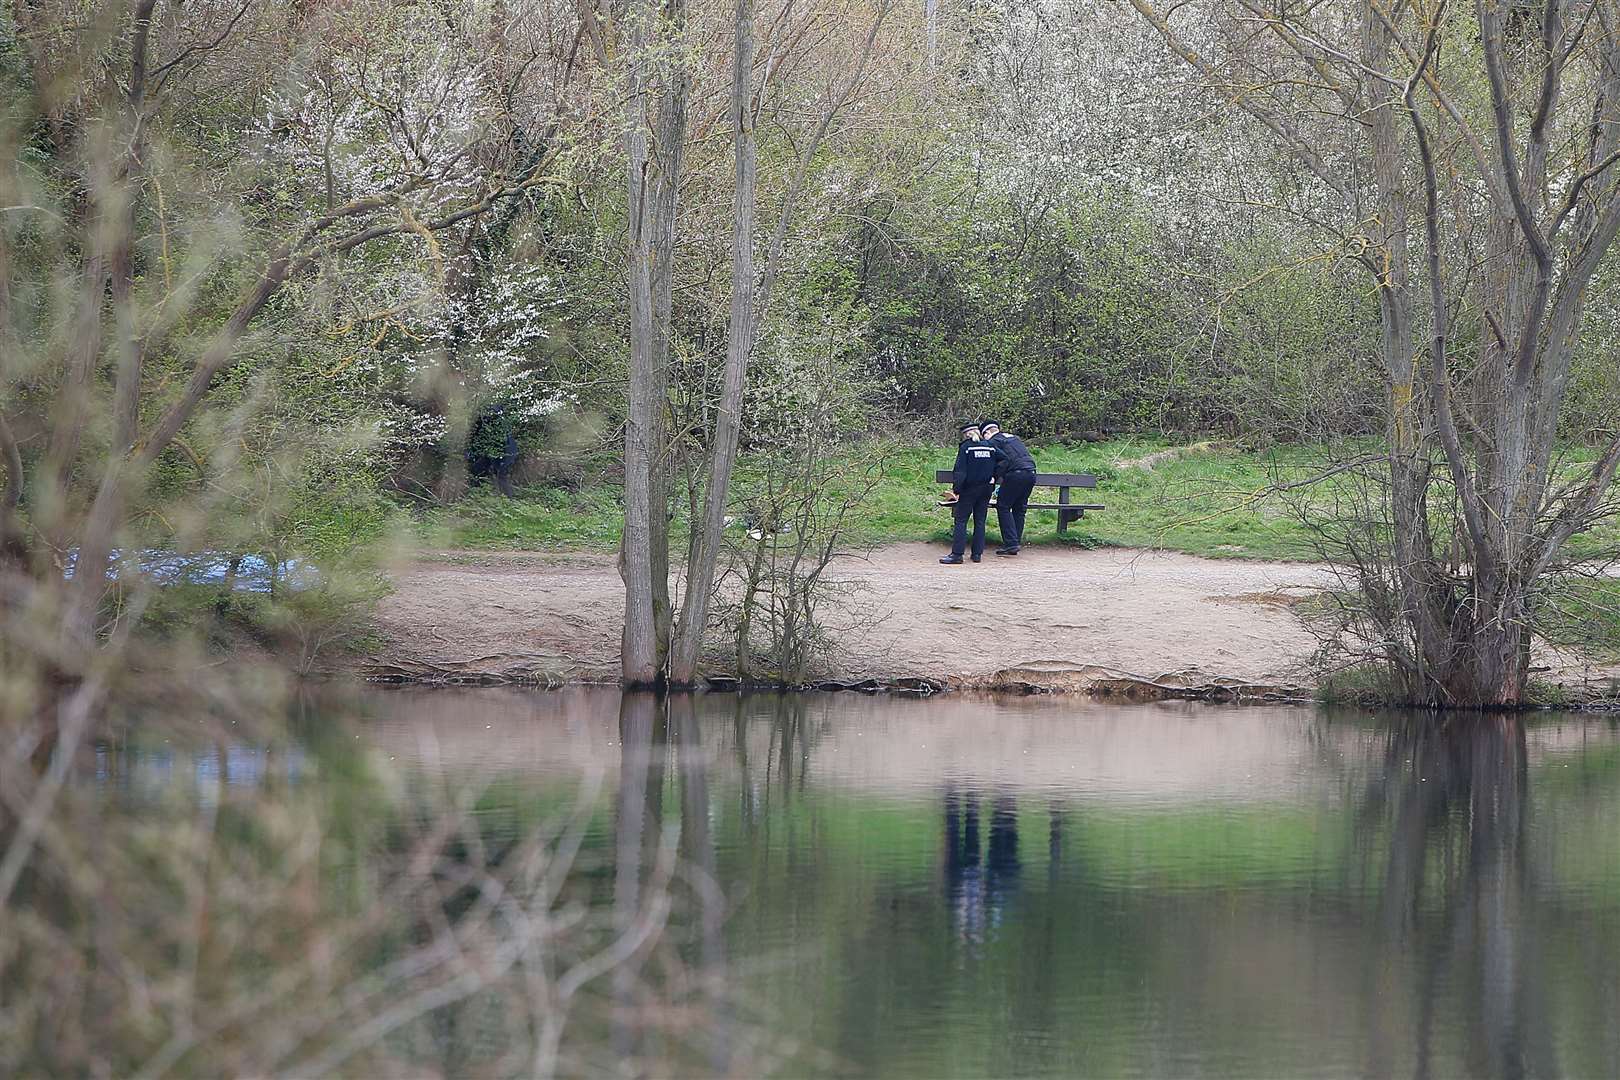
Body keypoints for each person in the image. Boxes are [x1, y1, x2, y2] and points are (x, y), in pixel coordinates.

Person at [941, 421, 1003, 564]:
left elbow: (960, 471)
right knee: (980, 521)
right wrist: (994, 476)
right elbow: (1004, 459)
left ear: (966, 435)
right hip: (986, 489)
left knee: (961, 520)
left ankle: (957, 554)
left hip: (969, 489)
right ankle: (977, 554)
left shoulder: (966, 447)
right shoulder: (990, 446)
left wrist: (956, 490)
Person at [981, 420, 1036, 556]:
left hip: (1015, 474)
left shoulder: (994, 442)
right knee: (1020, 508)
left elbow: (1001, 461)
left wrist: (993, 476)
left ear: (987, 433)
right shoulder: (1013, 437)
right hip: (1031, 472)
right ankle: (1015, 541)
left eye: (984, 436)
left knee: (1003, 506)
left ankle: (1011, 544)